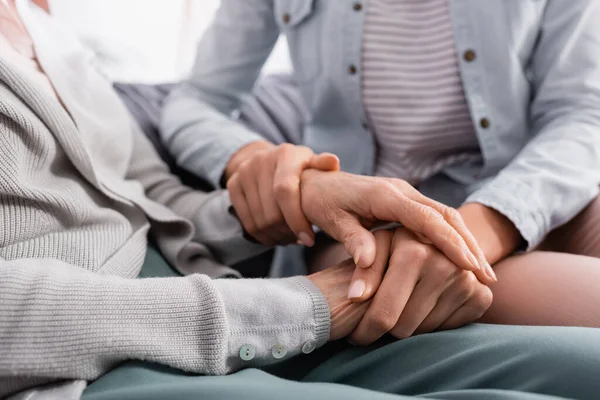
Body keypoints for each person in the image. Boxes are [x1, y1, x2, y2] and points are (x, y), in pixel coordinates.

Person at [2, 2, 600, 400]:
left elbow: (149, 199)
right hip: (338, 259)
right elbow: (196, 102)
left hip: (514, 204)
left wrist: (465, 231)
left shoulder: (48, 33)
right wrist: (270, 178)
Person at [161, 0, 600, 329]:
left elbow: (583, 112)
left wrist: (473, 232)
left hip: (530, 195)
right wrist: (267, 166)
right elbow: (195, 101)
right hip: (368, 230)